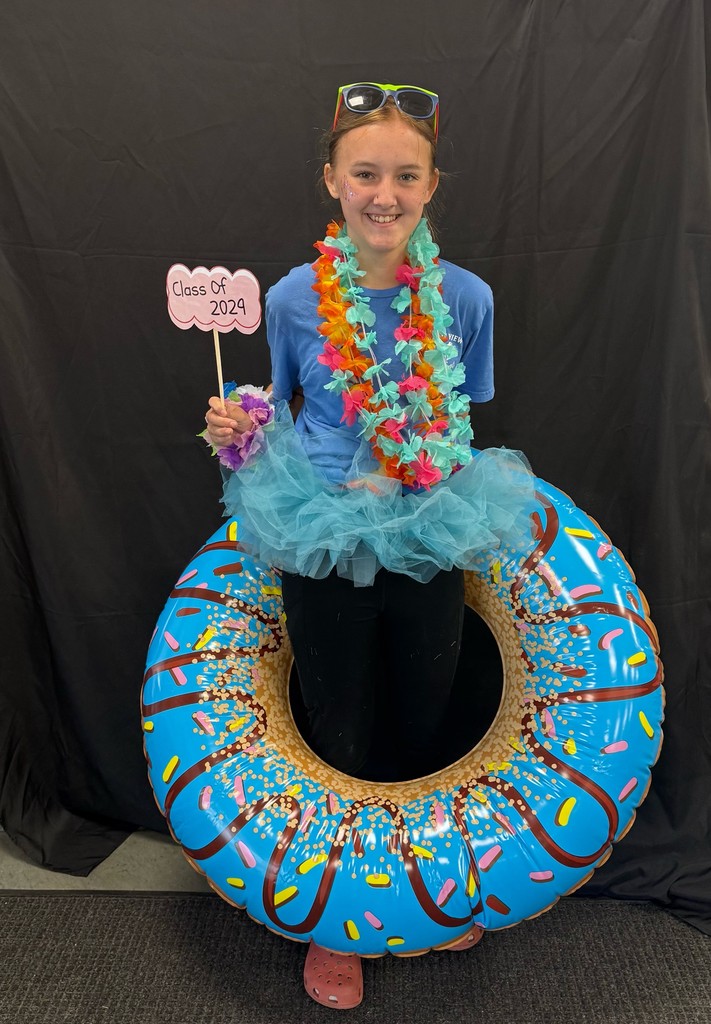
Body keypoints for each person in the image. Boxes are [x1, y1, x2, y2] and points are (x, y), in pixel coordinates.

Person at [204, 82, 533, 1010]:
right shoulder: (291, 299)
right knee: (335, 714)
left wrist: (406, 471)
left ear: (431, 188)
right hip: (318, 529)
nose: (382, 194)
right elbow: (272, 413)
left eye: (403, 175)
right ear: (332, 182)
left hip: (429, 528)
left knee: (427, 708)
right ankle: (333, 927)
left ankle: (416, 901)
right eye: (364, 174)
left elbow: (461, 419)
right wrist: (235, 425)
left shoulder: (465, 298)